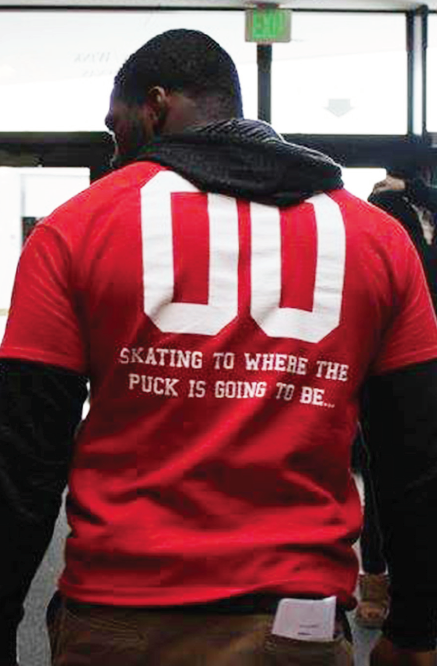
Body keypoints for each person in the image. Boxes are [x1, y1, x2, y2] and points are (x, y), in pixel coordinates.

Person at [0, 28, 436, 666]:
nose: (115, 148)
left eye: (116, 127)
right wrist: (419, 628)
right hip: (299, 630)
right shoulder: (375, 241)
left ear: (155, 107)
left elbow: (21, 460)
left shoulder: (73, 231)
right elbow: (418, 456)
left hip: (117, 624)